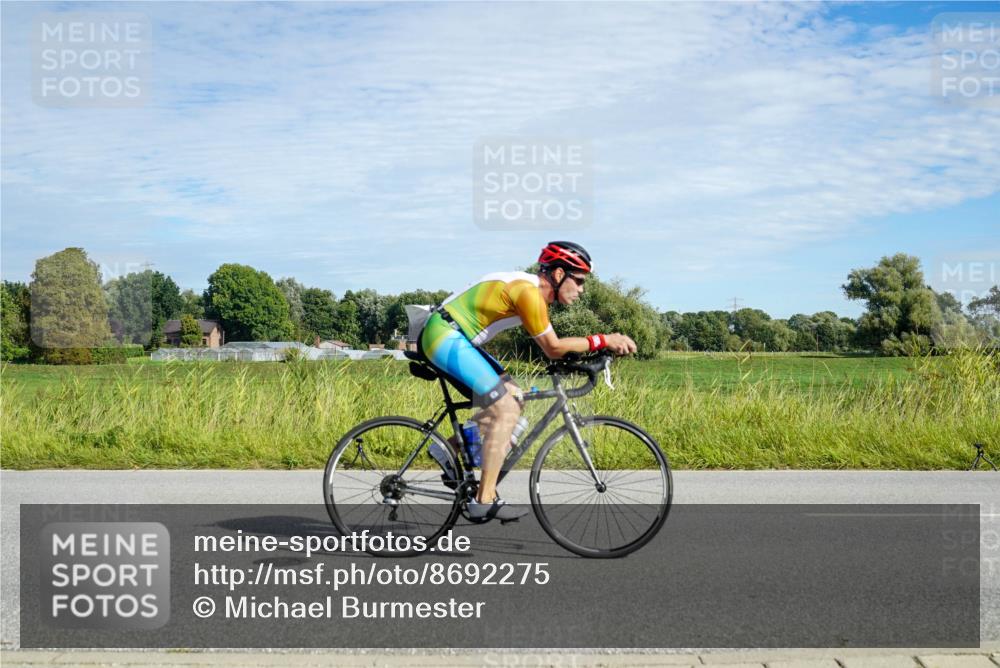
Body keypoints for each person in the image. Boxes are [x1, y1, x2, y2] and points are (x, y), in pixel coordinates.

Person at [417, 241, 637, 521]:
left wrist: (586, 356)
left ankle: (448, 448)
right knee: (506, 410)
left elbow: (554, 348)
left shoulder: (532, 293)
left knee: (515, 398)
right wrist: (604, 340)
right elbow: (553, 347)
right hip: (444, 337)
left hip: (455, 337)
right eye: (579, 281)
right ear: (559, 274)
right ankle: (483, 500)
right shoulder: (529, 293)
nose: (581, 290)